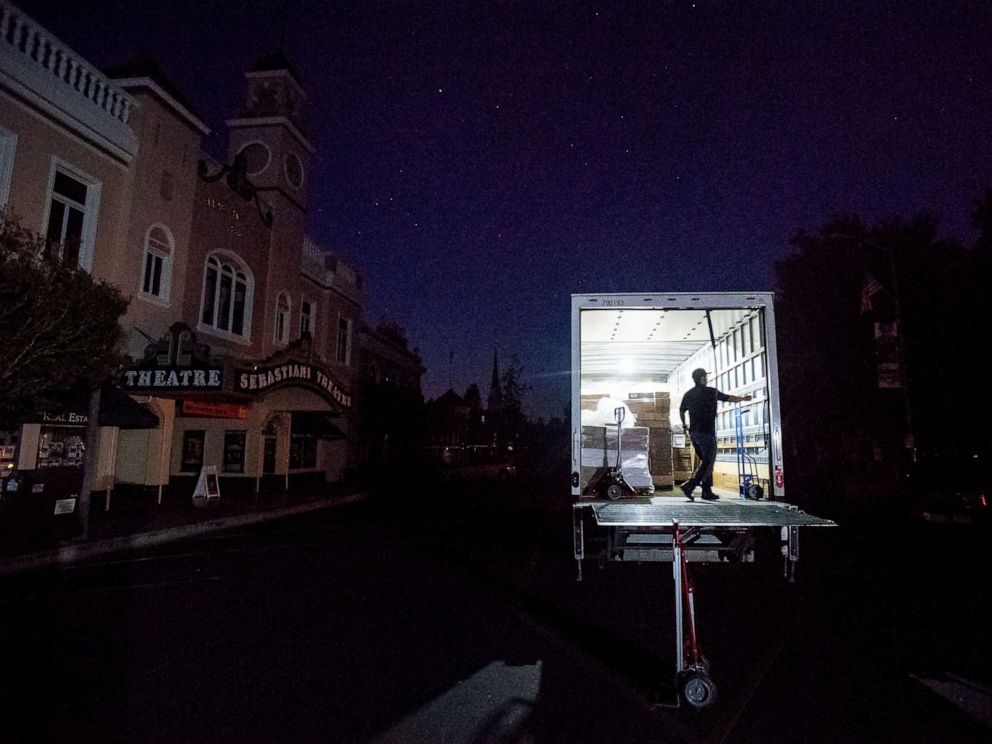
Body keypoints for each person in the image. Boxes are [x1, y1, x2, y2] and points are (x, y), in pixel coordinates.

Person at [679, 368, 751, 501]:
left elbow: (681, 410)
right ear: (701, 378)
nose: (707, 379)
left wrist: (684, 426)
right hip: (707, 432)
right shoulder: (711, 392)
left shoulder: (688, 394)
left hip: (694, 433)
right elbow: (728, 398)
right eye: (705, 377)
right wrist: (744, 399)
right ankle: (690, 486)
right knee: (708, 462)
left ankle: (706, 491)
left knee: (706, 462)